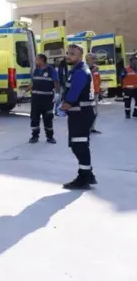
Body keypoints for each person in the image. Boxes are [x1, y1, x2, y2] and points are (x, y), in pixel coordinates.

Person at [60, 44, 98, 190]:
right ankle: (88, 174)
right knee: (79, 144)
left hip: (81, 113)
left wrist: (64, 106)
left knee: (79, 145)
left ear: (80, 56)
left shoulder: (81, 72)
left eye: (73, 54)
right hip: (80, 113)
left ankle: (84, 177)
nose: (68, 56)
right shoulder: (76, 70)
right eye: (68, 53)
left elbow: (74, 93)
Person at [24, 54, 59, 144]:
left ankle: (50, 137)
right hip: (35, 100)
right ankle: (34, 136)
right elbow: (33, 82)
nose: (35, 61)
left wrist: (57, 94)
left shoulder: (51, 70)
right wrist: (25, 91)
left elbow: (56, 82)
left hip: (47, 99)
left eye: (37, 59)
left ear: (42, 60)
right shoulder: (36, 70)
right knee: (34, 118)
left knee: (48, 118)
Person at [86, 53, 102, 133]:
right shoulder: (85, 68)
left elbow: (98, 80)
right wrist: (92, 71)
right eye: (93, 58)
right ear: (88, 60)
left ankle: (92, 127)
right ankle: (87, 127)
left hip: (96, 92)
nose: (94, 60)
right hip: (88, 93)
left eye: (94, 58)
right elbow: (85, 78)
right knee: (89, 111)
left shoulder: (96, 69)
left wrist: (100, 91)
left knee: (95, 111)